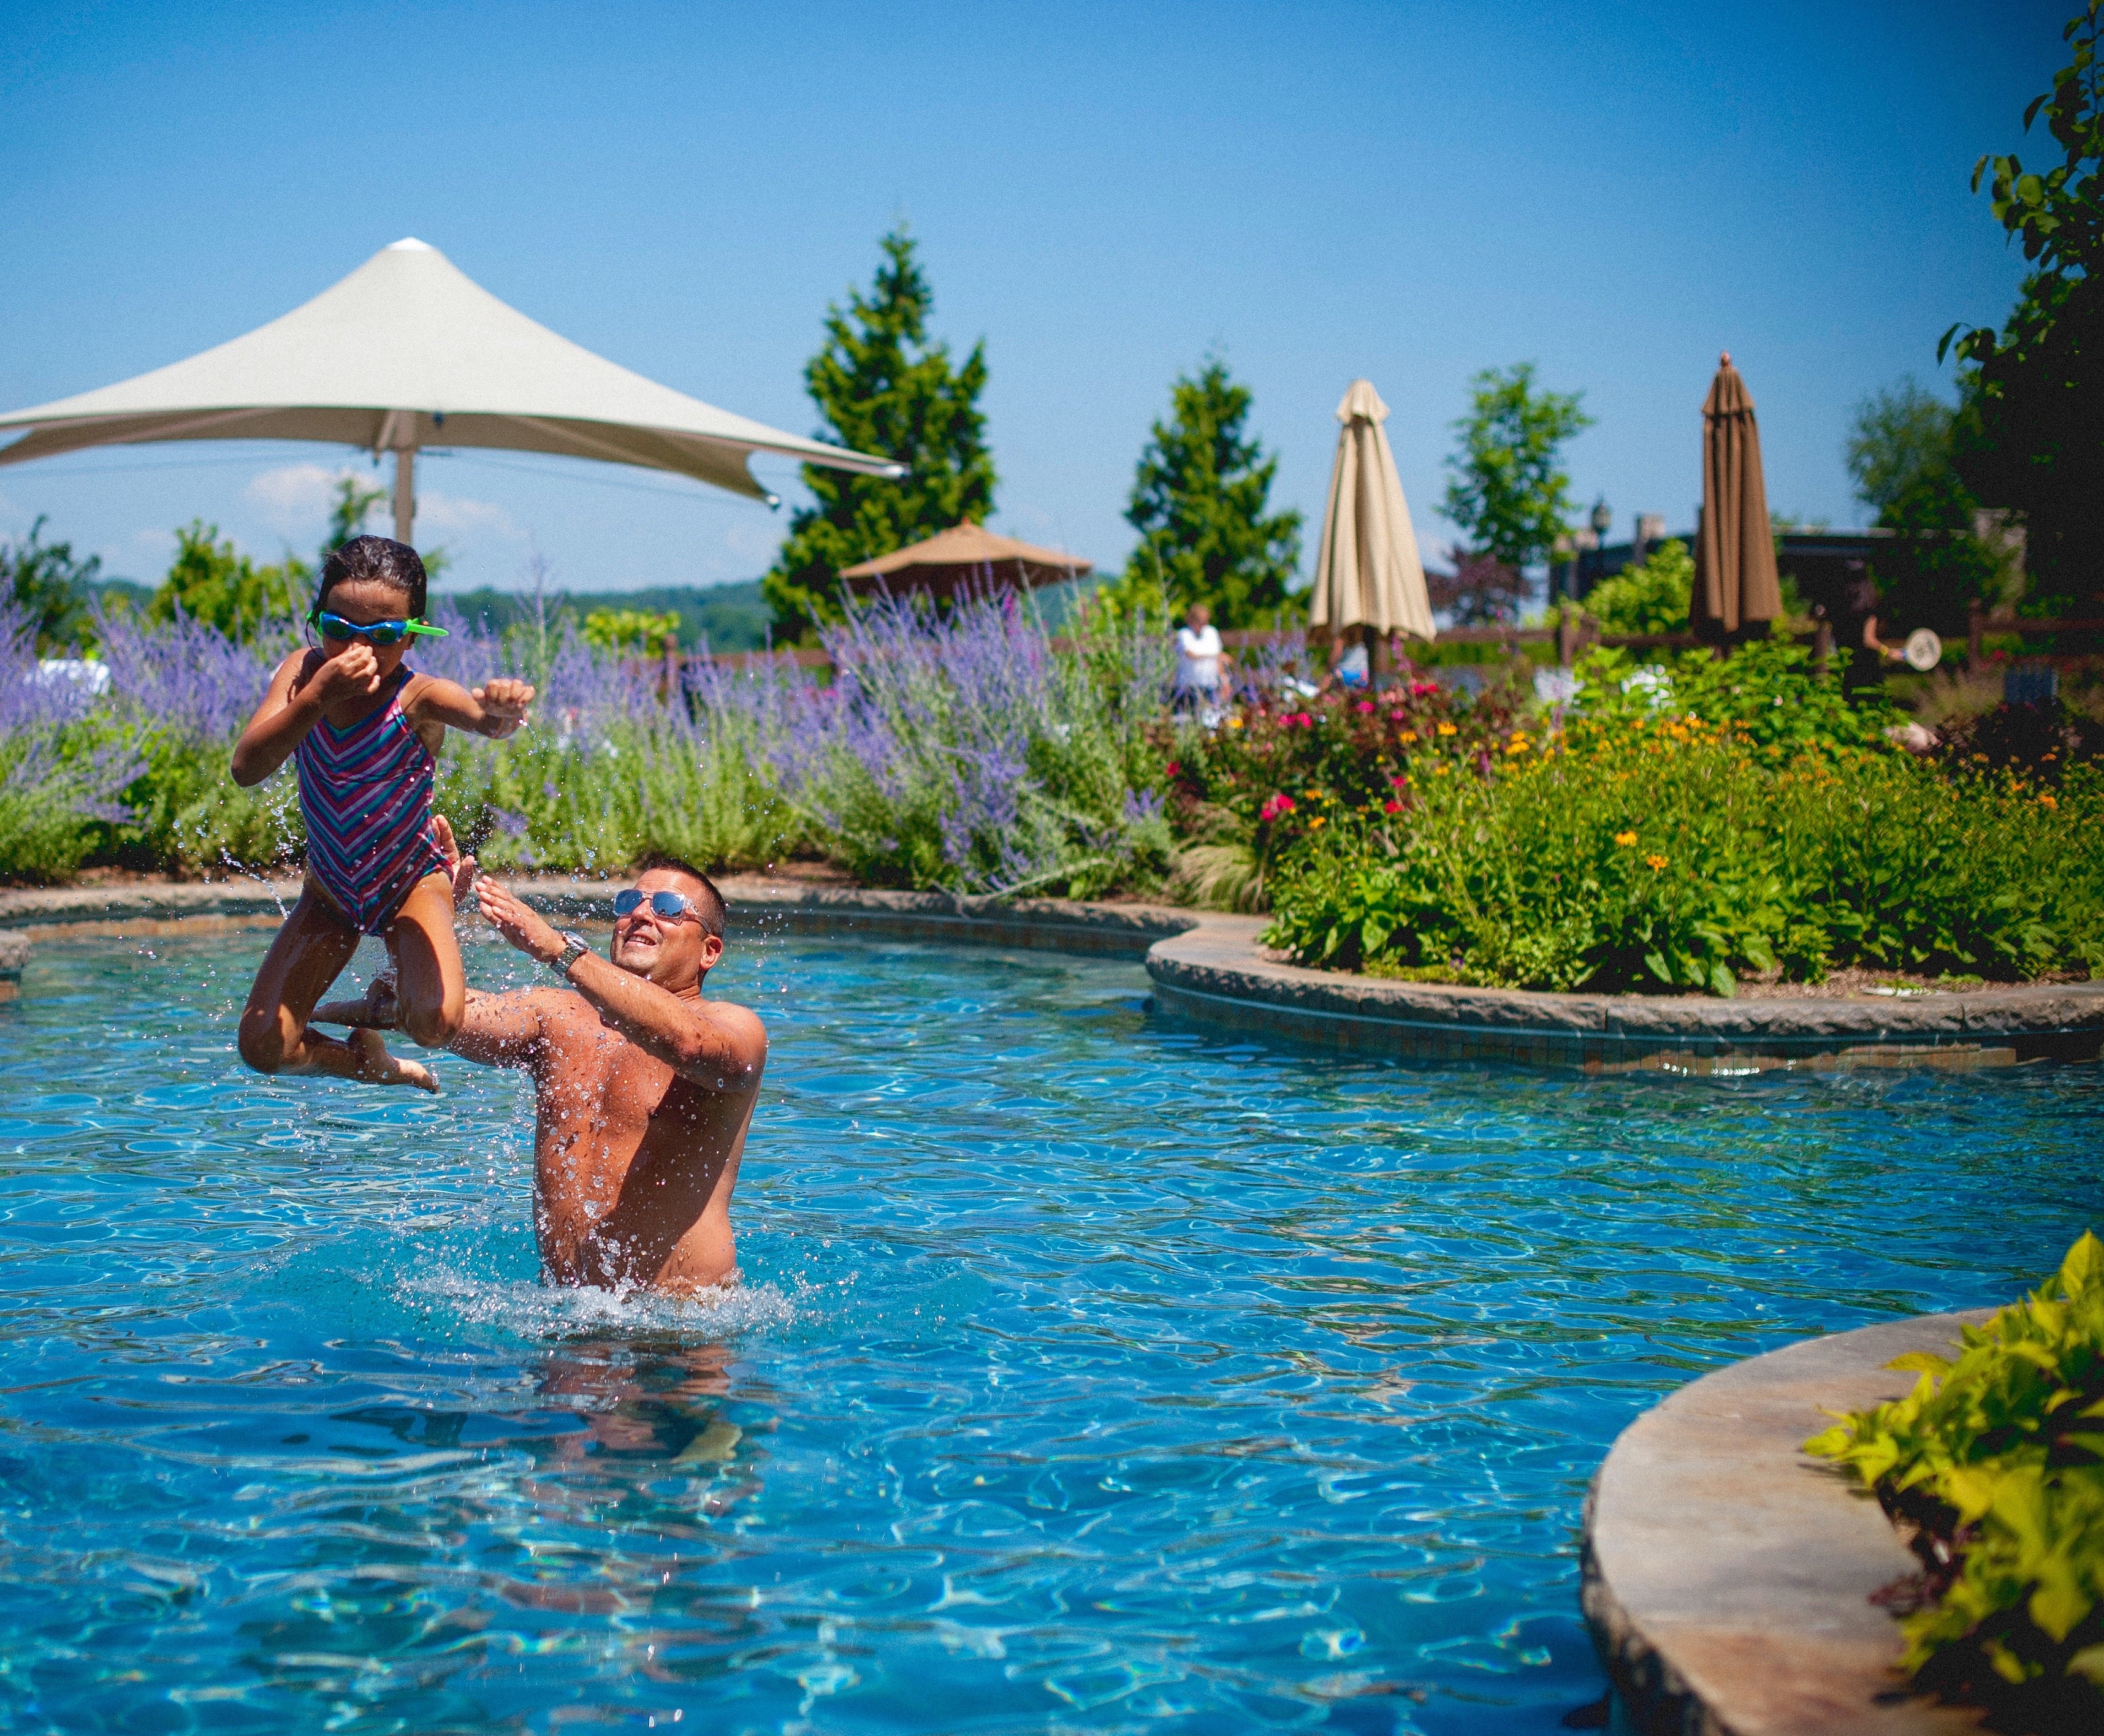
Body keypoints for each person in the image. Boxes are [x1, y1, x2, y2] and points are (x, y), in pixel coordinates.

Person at [321, 850, 767, 1296]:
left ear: (709, 951)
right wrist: (427, 912)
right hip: (565, 1312)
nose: (641, 915)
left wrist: (558, 949)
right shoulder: (558, 1016)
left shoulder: (736, 1027)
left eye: (667, 908)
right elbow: (440, 1016)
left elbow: (688, 1044)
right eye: (630, 901)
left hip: (683, 1318)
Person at [231, 535, 535, 1092]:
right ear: (316, 620)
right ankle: (367, 1064)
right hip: (331, 892)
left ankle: (387, 999)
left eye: (384, 635)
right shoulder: (302, 674)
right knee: (263, 1047)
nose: (358, 649)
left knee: (435, 1024)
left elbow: (485, 721)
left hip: (411, 884)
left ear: (414, 634)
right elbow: (247, 767)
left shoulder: (419, 698)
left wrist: (500, 711)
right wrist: (317, 698)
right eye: (339, 628)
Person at [1173, 602, 1230, 714]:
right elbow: (1191, 654)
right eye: (1201, 621)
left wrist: (1225, 681)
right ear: (1192, 620)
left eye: (1206, 621)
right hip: (1188, 686)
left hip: (1210, 685)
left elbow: (1218, 661)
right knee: (1188, 717)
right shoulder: (1184, 634)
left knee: (1213, 717)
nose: (1204, 624)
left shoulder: (1211, 632)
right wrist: (1215, 656)